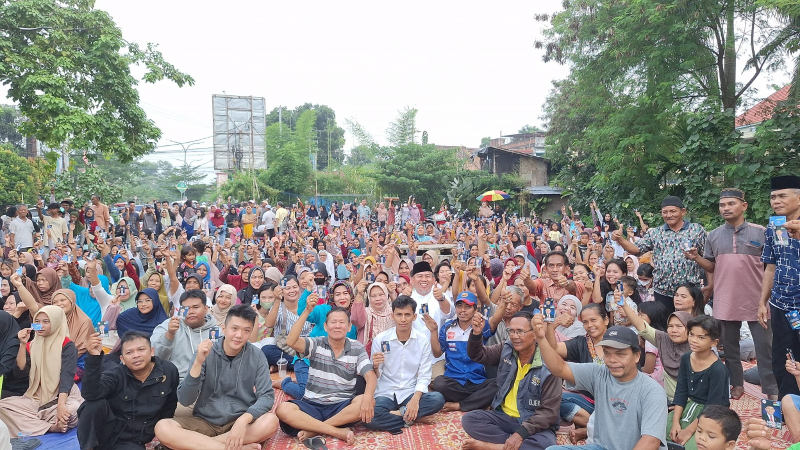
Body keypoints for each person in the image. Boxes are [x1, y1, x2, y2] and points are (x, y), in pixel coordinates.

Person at [686, 190, 778, 399]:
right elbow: (711, 266)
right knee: (729, 347)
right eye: (722, 205)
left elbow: (770, 267)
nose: (726, 208)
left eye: (731, 204)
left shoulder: (762, 232)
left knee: (765, 347)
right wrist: (697, 258)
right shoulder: (713, 235)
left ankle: (771, 390)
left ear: (744, 206)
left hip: (758, 300)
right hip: (725, 299)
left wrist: (766, 297)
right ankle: (736, 384)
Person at [154, 305, 279, 450]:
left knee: (271, 421)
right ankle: (230, 447)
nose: (239, 335)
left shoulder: (257, 356)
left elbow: (266, 395)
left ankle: (201, 445)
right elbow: (185, 399)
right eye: (234, 328)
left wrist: (244, 419)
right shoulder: (205, 352)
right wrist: (198, 363)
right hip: (205, 421)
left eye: (246, 330)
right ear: (224, 328)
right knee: (163, 427)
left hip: (240, 424)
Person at [537, 321, 668, 450]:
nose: (612, 360)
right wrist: (541, 339)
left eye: (620, 354)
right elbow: (559, 368)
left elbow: (650, 442)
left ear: (637, 356)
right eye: (607, 353)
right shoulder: (600, 374)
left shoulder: (652, 391)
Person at [274, 298, 377, 446]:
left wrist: (367, 397)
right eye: (333, 322)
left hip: (341, 407)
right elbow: (291, 341)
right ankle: (336, 431)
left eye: (342, 322)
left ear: (349, 327)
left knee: (367, 401)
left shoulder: (356, 347)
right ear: (325, 326)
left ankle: (314, 429)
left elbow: (370, 375)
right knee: (283, 409)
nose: (337, 326)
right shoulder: (316, 343)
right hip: (312, 404)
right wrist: (307, 311)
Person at [461, 311, 562, 450]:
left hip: (532, 422)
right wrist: (476, 334)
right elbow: (478, 355)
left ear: (534, 334)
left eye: (520, 331)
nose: (514, 336)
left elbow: (549, 412)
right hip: (503, 416)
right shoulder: (507, 348)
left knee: (546, 444)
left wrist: (521, 434)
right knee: (469, 419)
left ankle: (490, 446)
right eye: (511, 331)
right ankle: (512, 446)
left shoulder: (550, 364)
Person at [77, 330, 180, 450]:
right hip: (108, 433)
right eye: (129, 352)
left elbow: (169, 407)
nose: (136, 355)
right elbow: (90, 394)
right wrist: (94, 357)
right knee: (92, 405)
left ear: (152, 351)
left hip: (134, 440)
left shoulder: (168, 371)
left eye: (141, 349)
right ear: (122, 359)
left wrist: (160, 438)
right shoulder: (116, 374)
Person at [611, 195, 707, 313]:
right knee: (663, 323)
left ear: (683, 212)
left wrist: (710, 285)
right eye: (665, 212)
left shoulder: (696, 230)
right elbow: (636, 249)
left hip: (689, 293)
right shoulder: (655, 233)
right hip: (662, 291)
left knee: (691, 322)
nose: (669, 215)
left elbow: (708, 258)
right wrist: (620, 239)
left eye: (673, 211)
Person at [365, 295, 445, 434]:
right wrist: (375, 366)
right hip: (386, 392)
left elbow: (424, 374)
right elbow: (376, 375)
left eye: (407, 315)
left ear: (414, 317)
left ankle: (397, 414)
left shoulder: (422, 340)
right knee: (369, 418)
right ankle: (410, 417)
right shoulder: (381, 339)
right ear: (392, 316)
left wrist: (415, 399)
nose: (403, 319)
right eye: (399, 315)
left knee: (438, 399)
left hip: (410, 391)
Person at [0, 306, 83, 436]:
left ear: (56, 322)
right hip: (36, 397)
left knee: (73, 410)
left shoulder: (67, 345)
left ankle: (33, 421)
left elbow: (67, 376)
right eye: (37, 322)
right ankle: (50, 426)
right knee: (2, 407)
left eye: (46, 321)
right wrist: (22, 344)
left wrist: (61, 405)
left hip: (62, 396)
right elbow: (20, 372)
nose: (41, 325)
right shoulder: (32, 345)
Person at [759, 175, 800, 399]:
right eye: (773, 197)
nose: (776, 201)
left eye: (782, 196)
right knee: (782, 359)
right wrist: (762, 302)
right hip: (780, 304)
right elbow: (770, 267)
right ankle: (787, 406)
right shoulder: (774, 227)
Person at [666, 315, 730, 450]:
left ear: (714, 342)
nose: (694, 340)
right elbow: (681, 391)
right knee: (660, 433)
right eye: (691, 334)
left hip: (712, 414)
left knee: (694, 446)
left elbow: (713, 405)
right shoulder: (686, 358)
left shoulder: (718, 369)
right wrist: (675, 422)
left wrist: (689, 431)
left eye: (701, 337)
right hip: (690, 407)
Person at [428, 291, 498, 412]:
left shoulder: (481, 326)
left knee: (499, 383)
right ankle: (478, 401)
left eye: (468, 306)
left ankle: (460, 405)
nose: (463, 310)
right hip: (454, 381)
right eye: (459, 306)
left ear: (475, 310)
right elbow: (437, 353)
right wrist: (433, 331)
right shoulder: (447, 327)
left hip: (477, 380)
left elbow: (496, 320)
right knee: (439, 383)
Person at [622, 300, 691, 402]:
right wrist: (624, 305)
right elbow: (642, 326)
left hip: (691, 404)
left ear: (690, 329)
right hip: (668, 401)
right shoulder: (664, 340)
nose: (674, 330)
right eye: (670, 326)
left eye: (679, 326)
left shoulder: (697, 348)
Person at [151, 289, 218, 381]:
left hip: (206, 380)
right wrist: (169, 334)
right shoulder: (169, 325)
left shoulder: (214, 330)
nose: (191, 311)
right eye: (186, 308)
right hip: (174, 381)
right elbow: (154, 356)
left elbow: (218, 359)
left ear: (206, 309)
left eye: (195, 307)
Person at [409, 261, 454, 380]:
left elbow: (449, 313)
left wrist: (441, 299)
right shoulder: (407, 297)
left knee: (440, 383)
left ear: (434, 280)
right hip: (412, 357)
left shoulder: (440, 295)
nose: (424, 279)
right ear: (412, 280)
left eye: (427, 276)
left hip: (436, 357)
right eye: (420, 276)